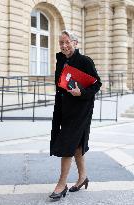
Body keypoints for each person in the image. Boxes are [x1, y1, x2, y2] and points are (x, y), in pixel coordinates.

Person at [49, 30, 102, 200]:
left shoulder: (85, 61)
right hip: (64, 108)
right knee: (77, 145)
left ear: (75, 43)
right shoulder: (61, 61)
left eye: (67, 42)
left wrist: (82, 93)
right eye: (61, 43)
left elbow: (97, 84)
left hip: (81, 109)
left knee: (67, 143)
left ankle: (61, 184)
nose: (64, 45)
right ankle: (82, 178)